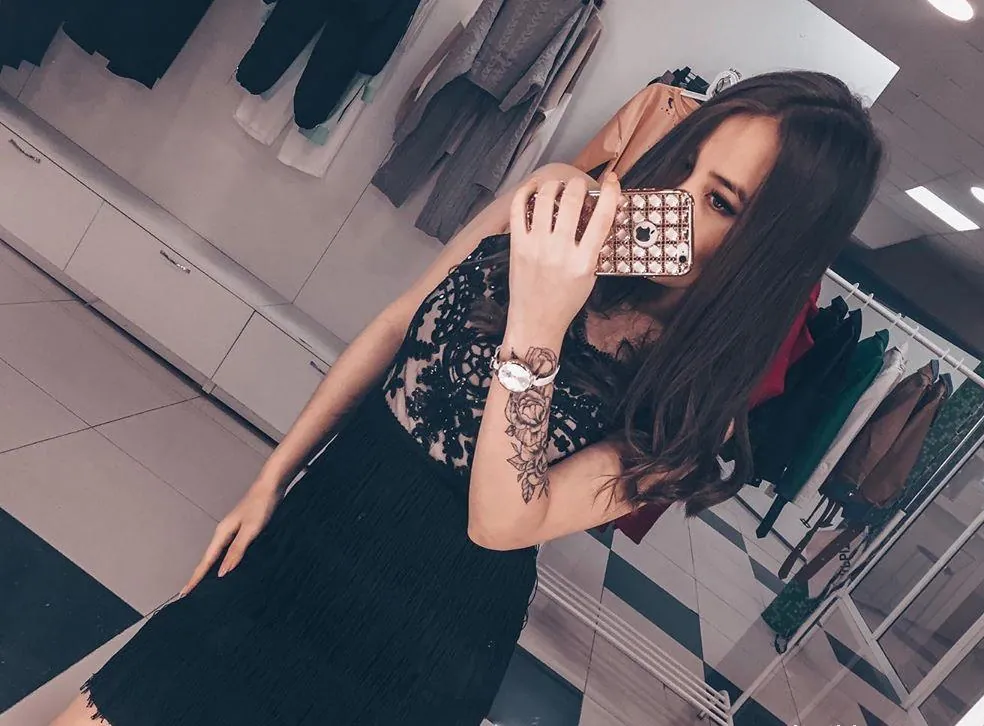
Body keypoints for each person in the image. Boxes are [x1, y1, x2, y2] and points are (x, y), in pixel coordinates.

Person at [53, 70, 884, 726]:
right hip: (310, 532)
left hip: (420, 640)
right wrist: (272, 476)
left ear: (770, 251)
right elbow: (395, 326)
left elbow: (500, 522)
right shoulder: (551, 202)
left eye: (720, 202)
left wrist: (542, 319)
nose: (672, 203)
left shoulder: (692, 408)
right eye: (690, 163)